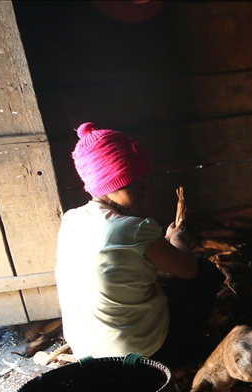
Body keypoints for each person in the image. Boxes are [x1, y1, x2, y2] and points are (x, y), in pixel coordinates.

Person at [55, 122, 223, 367]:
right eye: (132, 180)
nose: (144, 187)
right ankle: (178, 354)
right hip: (136, 357)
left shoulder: (72, 219)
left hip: (87, 354)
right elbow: (188, 269)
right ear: (110, 182)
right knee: (205, 273)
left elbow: (121, 260)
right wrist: (176, 239)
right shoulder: (134, 227)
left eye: (143, 178)